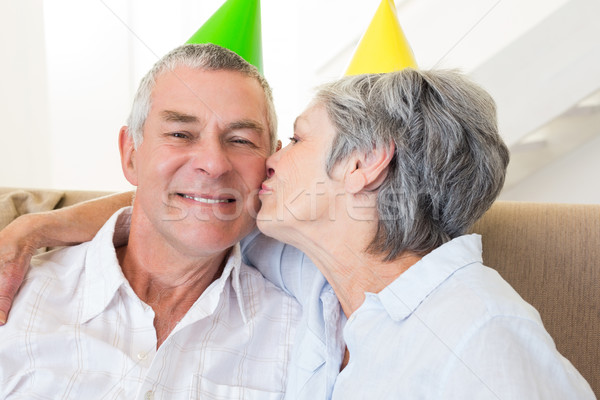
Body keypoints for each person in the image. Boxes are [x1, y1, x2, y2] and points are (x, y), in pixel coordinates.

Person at [1, 69, 595, 399]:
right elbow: (189, 203)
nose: (271, 162)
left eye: (297, 139)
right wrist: (36, 225)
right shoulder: (315, 275)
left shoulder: (479, 329)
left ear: (365, 163)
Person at [0, 43, 302, 399]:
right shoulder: (18, 299)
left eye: (240, 140)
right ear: (130, 154)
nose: (214, 163)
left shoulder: (302, 333)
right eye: (180, 134)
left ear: (272, 166)